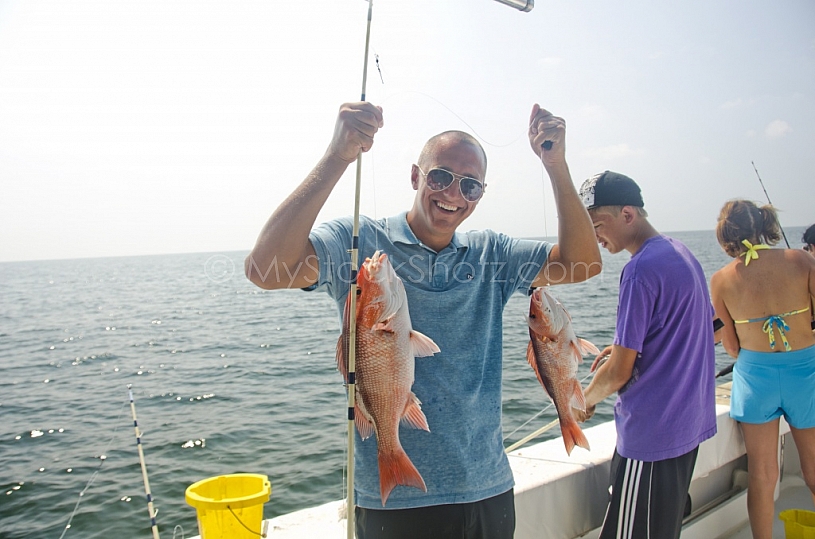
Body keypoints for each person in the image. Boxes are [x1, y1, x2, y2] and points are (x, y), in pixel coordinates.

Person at [244, 101, 601, 538]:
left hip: (487, 487)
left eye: (470, 186)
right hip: (393, 502)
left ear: (480, 195)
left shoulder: (494, 254)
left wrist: (556, 165)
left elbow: (584, 264)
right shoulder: (359, 243)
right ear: (416, 177)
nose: (453, 194)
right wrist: (338, 156)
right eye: (441, 177)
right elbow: (265, 269)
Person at [574, 171, 718, 539]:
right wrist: (627, 346)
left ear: (627, 215)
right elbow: (694, 330)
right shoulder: (680, 253)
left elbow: (619, 373)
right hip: (686, 428)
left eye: (598, 225)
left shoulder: (638, 270)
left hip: (652, 439)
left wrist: (582, 401)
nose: (595, 237)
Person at [710, 200, 815, 539]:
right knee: (813, 470)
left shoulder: (721, 279)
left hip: (756, 379)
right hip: (806, 374)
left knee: (762, 476)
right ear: (763, 225)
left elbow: (730, 346)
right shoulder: (802, 260)